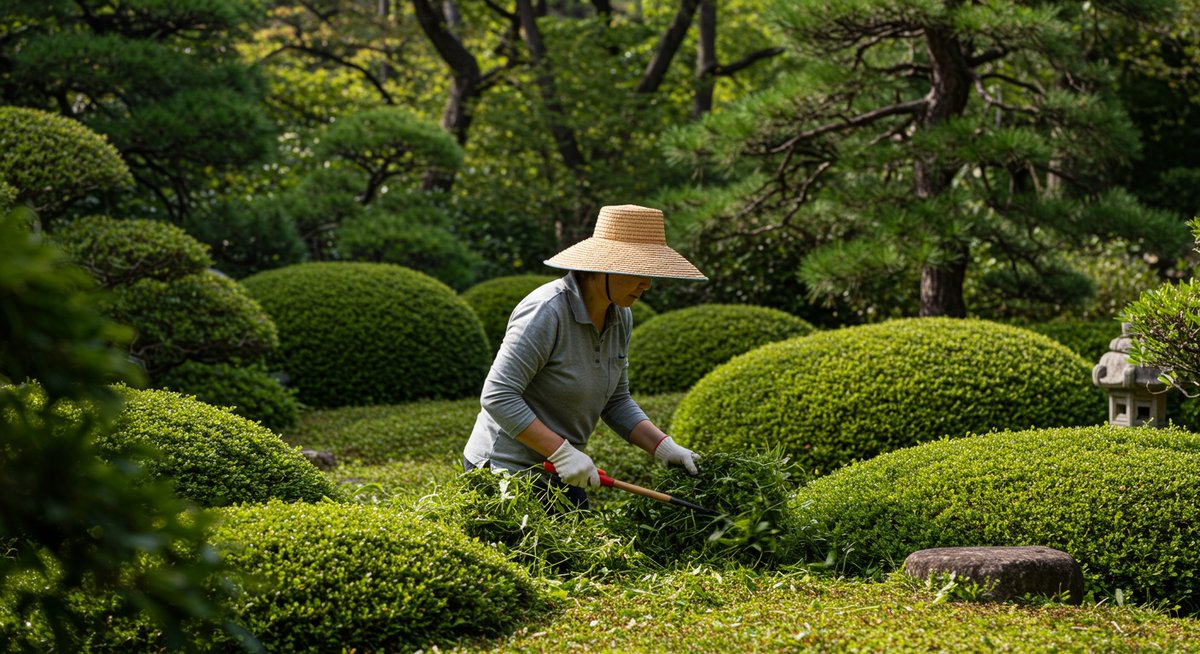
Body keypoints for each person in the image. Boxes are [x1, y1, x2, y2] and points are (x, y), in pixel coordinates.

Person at [463, 204, 707, 508]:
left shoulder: (620, 317)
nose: (647, 284)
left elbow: (616, 401)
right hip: (506, 472)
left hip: (563, 472)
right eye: (639, 271)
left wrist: (664, 447)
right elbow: (498, 395)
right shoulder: (546, 312)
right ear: (602, 267)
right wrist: (562, 452)